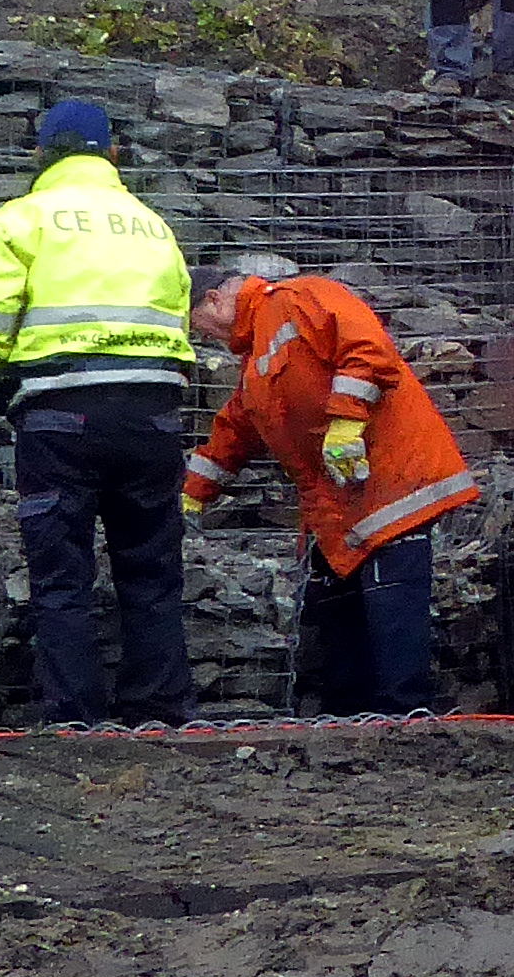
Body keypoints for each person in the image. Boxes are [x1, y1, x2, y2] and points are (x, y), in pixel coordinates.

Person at [0, 99, 197, 724]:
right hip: (153, 415)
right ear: (113, 153)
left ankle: (74, 717)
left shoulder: (18, 221)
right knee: (152, 571)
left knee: (62, 578)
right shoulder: (153, 226)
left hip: (61, 415)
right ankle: (160, 710)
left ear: (41, 154)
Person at [179, 273, 483, 714]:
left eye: (198, 323)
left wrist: (347, 419)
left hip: (388, 483)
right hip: (346, 500)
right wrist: (195, 492)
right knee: (343, 612)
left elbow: (365, 347)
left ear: (213, 300)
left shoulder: (299, 298)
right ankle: (357, 716)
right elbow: (237, 430)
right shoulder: (257, 358)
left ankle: (405, 715)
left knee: (391, 605)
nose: (201, 334)